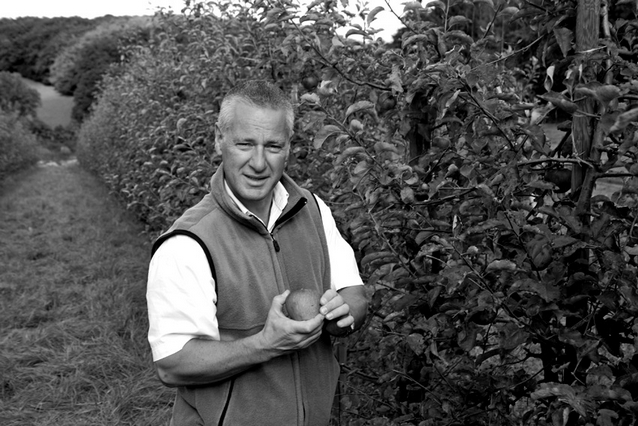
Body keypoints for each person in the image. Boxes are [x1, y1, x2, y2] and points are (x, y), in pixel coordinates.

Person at [146, 79, 368, 426]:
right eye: (245, 144)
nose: (259, 162)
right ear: (220, 140)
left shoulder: (313, 210)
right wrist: (266, 344)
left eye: (273, 145)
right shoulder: (188, 243)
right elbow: (172, 364)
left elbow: (353, 293)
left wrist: (341, 317)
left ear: (289, 147)